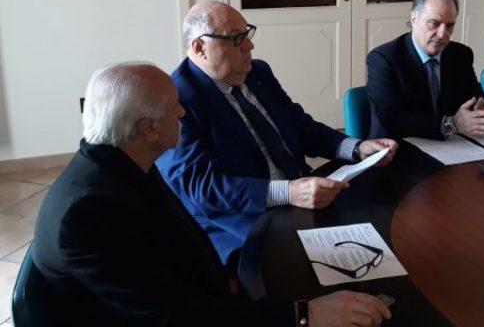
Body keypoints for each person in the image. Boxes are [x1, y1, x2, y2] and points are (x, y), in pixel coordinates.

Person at [32, 63, 391, 326]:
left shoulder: (124, 161)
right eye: (174, 106)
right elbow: (179, 318)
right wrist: (304, 315)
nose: (182, 111)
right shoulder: (88, 214)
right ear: (149, 128)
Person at [157, 1, 398, 268]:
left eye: (247, 34)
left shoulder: (257, 72)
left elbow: (299, 124)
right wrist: (289, 192)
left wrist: (355, 147)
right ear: (199, 47)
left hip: (300, 196)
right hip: (242, 219)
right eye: (236, 38)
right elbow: (201, 187)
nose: (249, 46)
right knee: (321, 269)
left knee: (383, 230)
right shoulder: (177, 99)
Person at [366, 0, 484, 140]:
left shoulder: (460, 54)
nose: (443, 34)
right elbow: (393, 119)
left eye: (449, 25)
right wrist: (452, 124)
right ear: (414, 19)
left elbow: (475, 97)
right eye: (434, 23)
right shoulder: (383, 59)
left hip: (452, 144)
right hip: (398, 146)